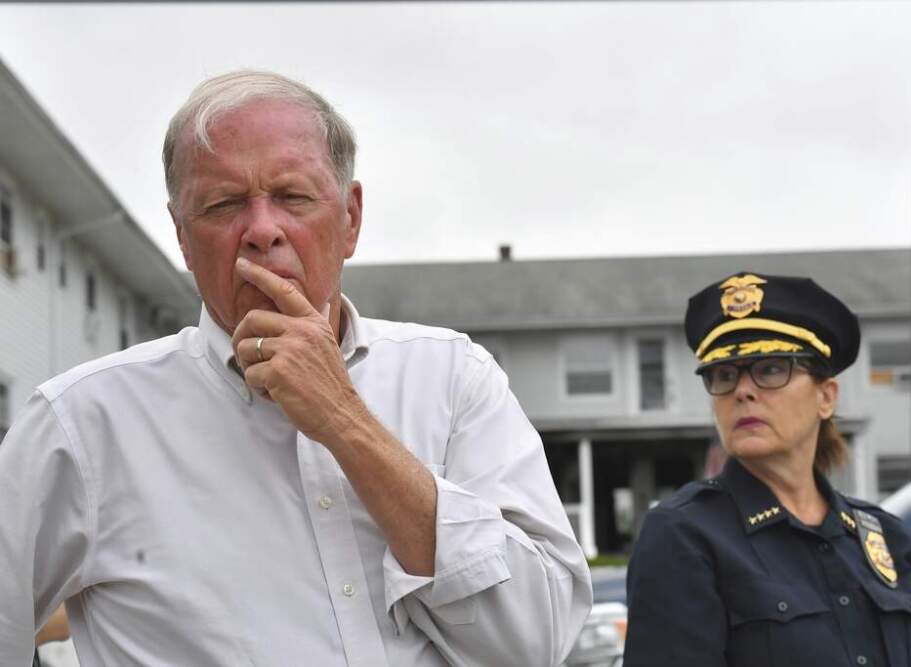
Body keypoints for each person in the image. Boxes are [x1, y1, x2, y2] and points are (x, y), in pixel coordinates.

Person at [0, 70, 591, 666]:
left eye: (293, 196)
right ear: (182, 236)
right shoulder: (81, 426)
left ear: (351, 219)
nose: (261, 230)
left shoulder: (455, 380)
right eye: (223, 204)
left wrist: (343, 420)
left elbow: (537, 641)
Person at [623, 272, 911, 667]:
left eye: (770, 369)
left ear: (826, 396)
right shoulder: (685, 535)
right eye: (725, 375)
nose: (742, 391)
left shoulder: (889, 540)